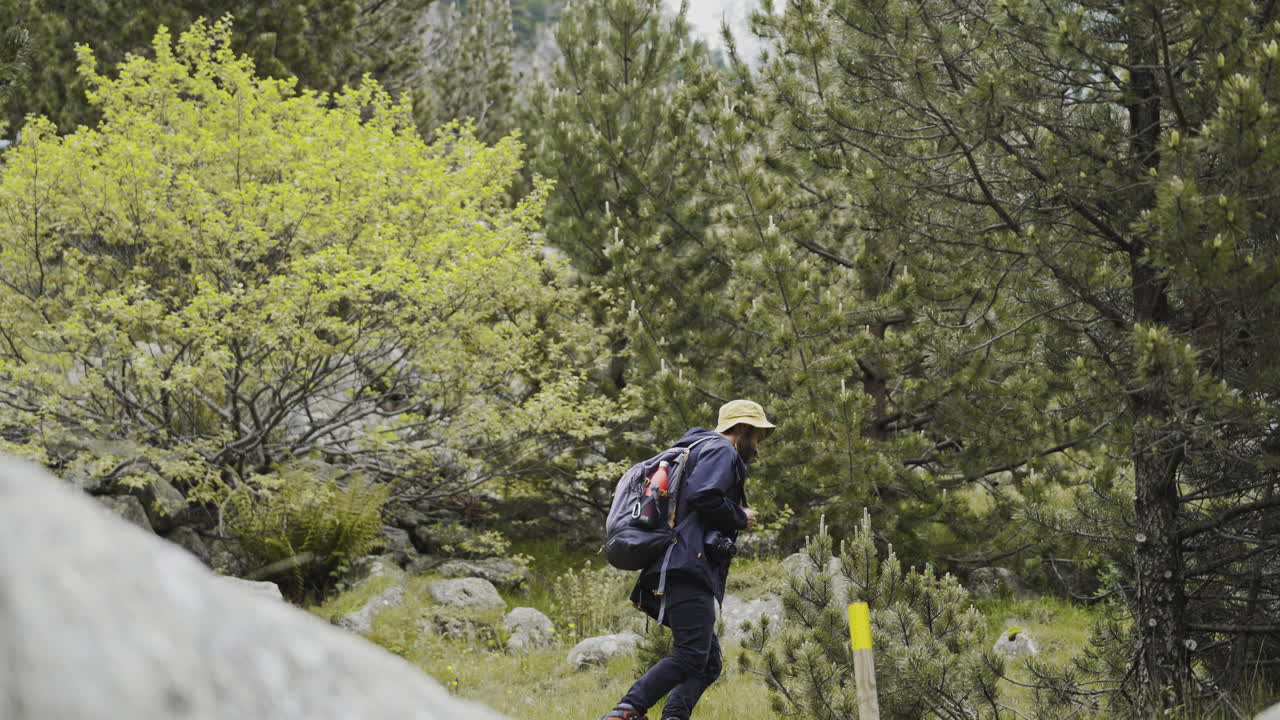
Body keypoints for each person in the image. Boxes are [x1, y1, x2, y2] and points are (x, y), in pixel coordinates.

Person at [596, 399, 775, 720]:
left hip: (678, 564)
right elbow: (703, 495)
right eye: (758, 438)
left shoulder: (699, 448)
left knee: (707, 663)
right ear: (744, 429)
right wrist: (740, 515)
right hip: (686, 566)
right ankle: (625, 711)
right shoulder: (721, 449)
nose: (759, 449)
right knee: (692, 655)